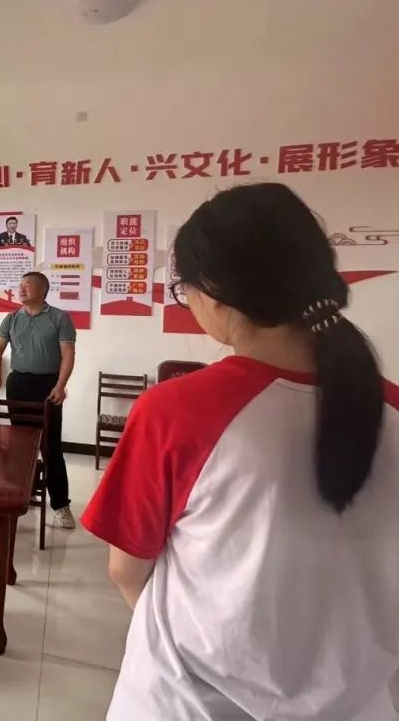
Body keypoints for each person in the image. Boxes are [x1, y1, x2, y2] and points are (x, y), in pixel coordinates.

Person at [81, 183, 399, 720]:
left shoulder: (178, 411)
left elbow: (127, 570)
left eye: (183, 288)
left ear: (215, 292)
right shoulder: (392, 409)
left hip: (187, 703)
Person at [0, 271, 76, 528]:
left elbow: (68, 354)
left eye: (27, 285)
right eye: (20, 285)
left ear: (43, 289)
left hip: (48, 386)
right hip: (18, 384)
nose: (21, 289)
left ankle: (60, 504)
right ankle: (20, 495)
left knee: (50, 446)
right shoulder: (12, 318)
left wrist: (60, 385)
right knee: (20, 444)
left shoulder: (59, 318)